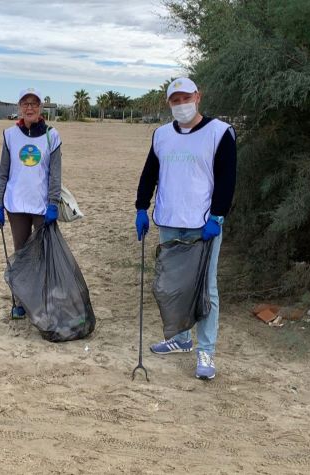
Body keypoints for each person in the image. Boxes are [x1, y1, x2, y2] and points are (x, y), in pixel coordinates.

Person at [135, 77, 237, 380]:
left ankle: (206, 350)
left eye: (186, 98)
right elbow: (150, 173)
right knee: (173, 286)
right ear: (169, 104)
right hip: (169, 220)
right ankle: (180, 339)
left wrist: (217, 217)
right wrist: (141, 206)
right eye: (175, 100)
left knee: (206, 289)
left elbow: (227, 180)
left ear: (198, 97)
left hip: (202, 224)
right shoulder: (162, 135)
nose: (181, 105)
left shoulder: (220, 133)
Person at [0, 88, 62, 319]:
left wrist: (53, 203)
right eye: (25, 103)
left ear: (40, 108)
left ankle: (42, 300)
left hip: (42, 207)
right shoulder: (10, 135)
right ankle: (21, 301)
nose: (29, 107)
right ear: (19, 107)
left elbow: (55, 175)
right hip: (16, 206)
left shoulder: (52, 135)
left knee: (43, 256)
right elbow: (3, 173)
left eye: (34, 103)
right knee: (21, 255)